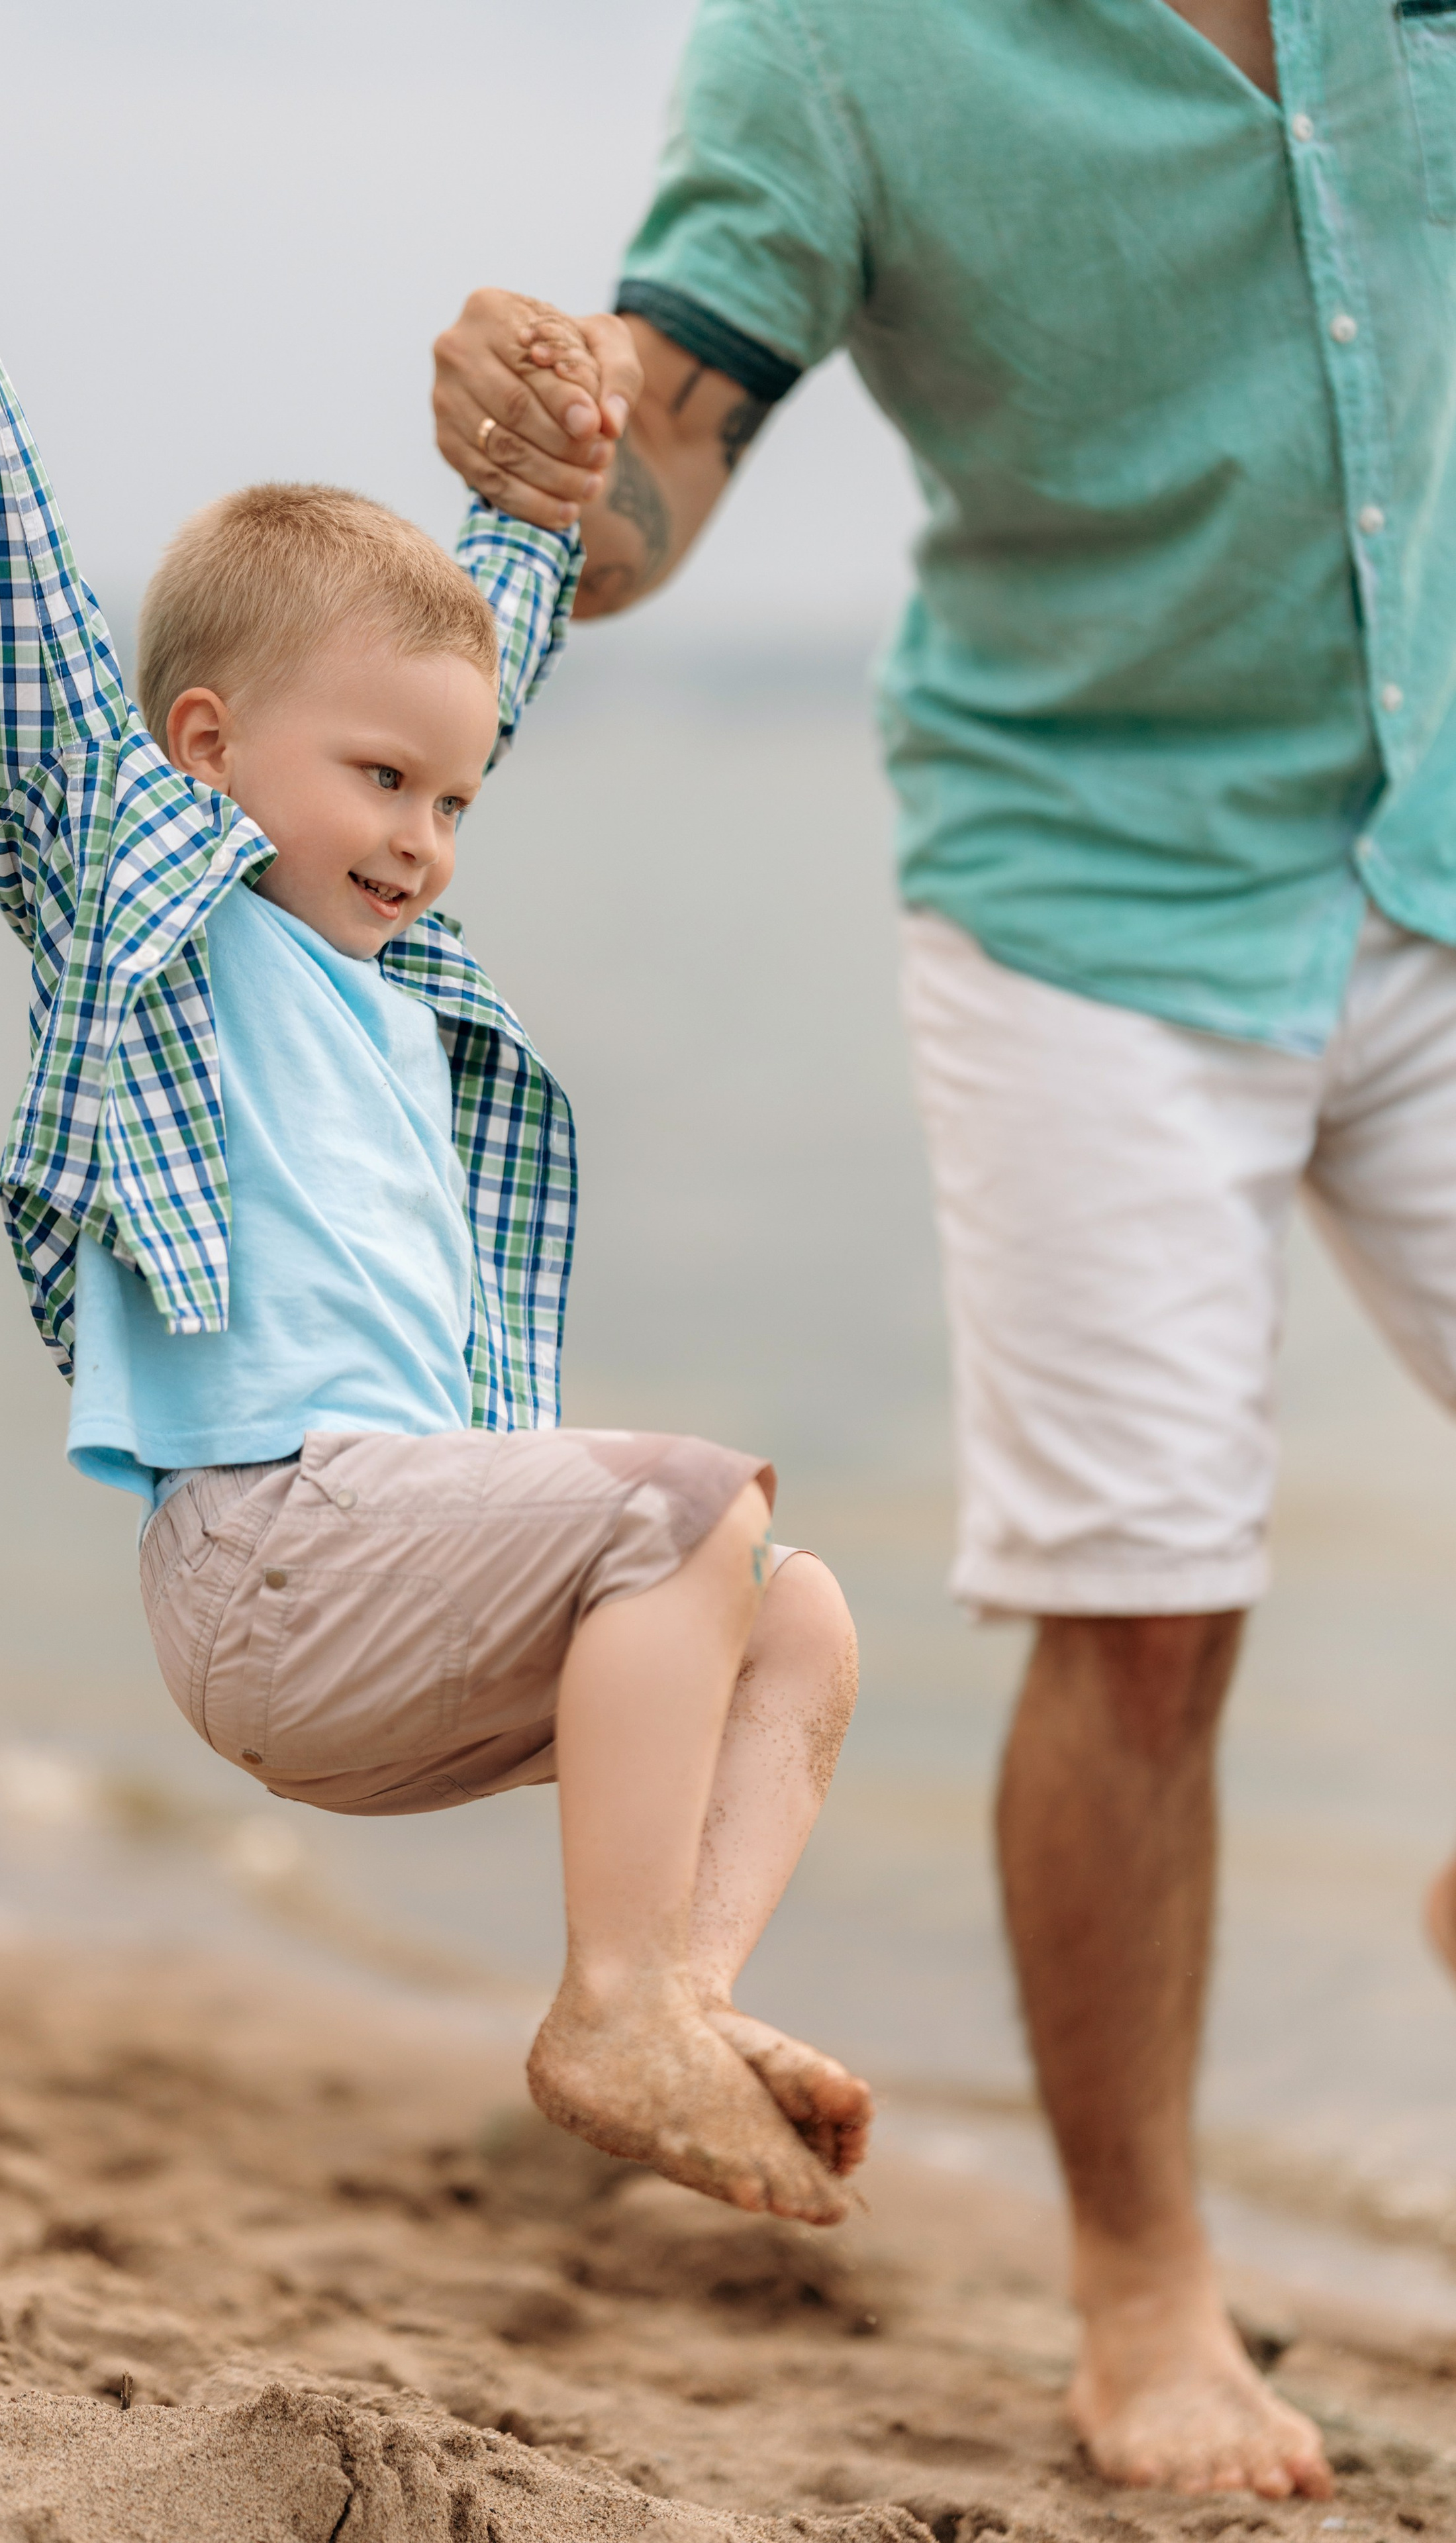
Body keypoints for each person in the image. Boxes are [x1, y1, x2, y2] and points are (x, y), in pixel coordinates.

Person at [432, 0, 1456, 2503]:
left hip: (1435, 838)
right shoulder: (837, 41)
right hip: (1086, 894)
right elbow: (658, 468)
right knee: (1146, 1611)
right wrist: (557, 456)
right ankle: (1147, 2301)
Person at [0, 0, 872, 2229]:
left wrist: (549, 498)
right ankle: (613, 1994)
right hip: (274, 1562)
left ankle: (666, 1993)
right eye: (380, 787)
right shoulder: (140, 889)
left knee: (808, 1612)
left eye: (454, 800)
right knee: (690, 1502)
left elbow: (484, 647)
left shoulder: (400, 986)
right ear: (195, 745)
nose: (427, 840)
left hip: (399, 1584)